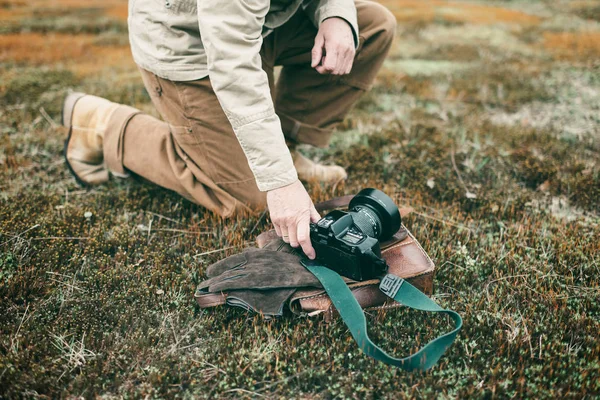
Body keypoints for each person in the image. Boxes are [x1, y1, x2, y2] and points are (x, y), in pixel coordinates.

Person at [62, 0, 396, 260]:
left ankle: (285, 148)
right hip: (191, 45)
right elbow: (232, 62)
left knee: (370, 27)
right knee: (250, 198)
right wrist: (278, 181)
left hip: (261, 23)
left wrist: (333, 13)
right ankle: (104, 125)